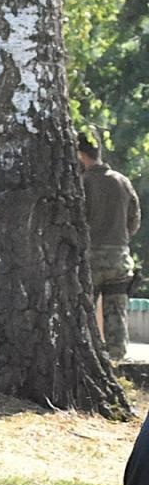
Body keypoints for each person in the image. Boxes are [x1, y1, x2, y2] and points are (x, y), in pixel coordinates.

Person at [80, 134, 141, 361]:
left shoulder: (83, 183)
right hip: (120, 257)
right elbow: (134, 220)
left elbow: (75, 219)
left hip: (92, 257)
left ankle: (88, 357)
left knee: (84, 310)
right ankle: (116, 360)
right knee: (117, 313)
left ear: (80, 155)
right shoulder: (123, 181)